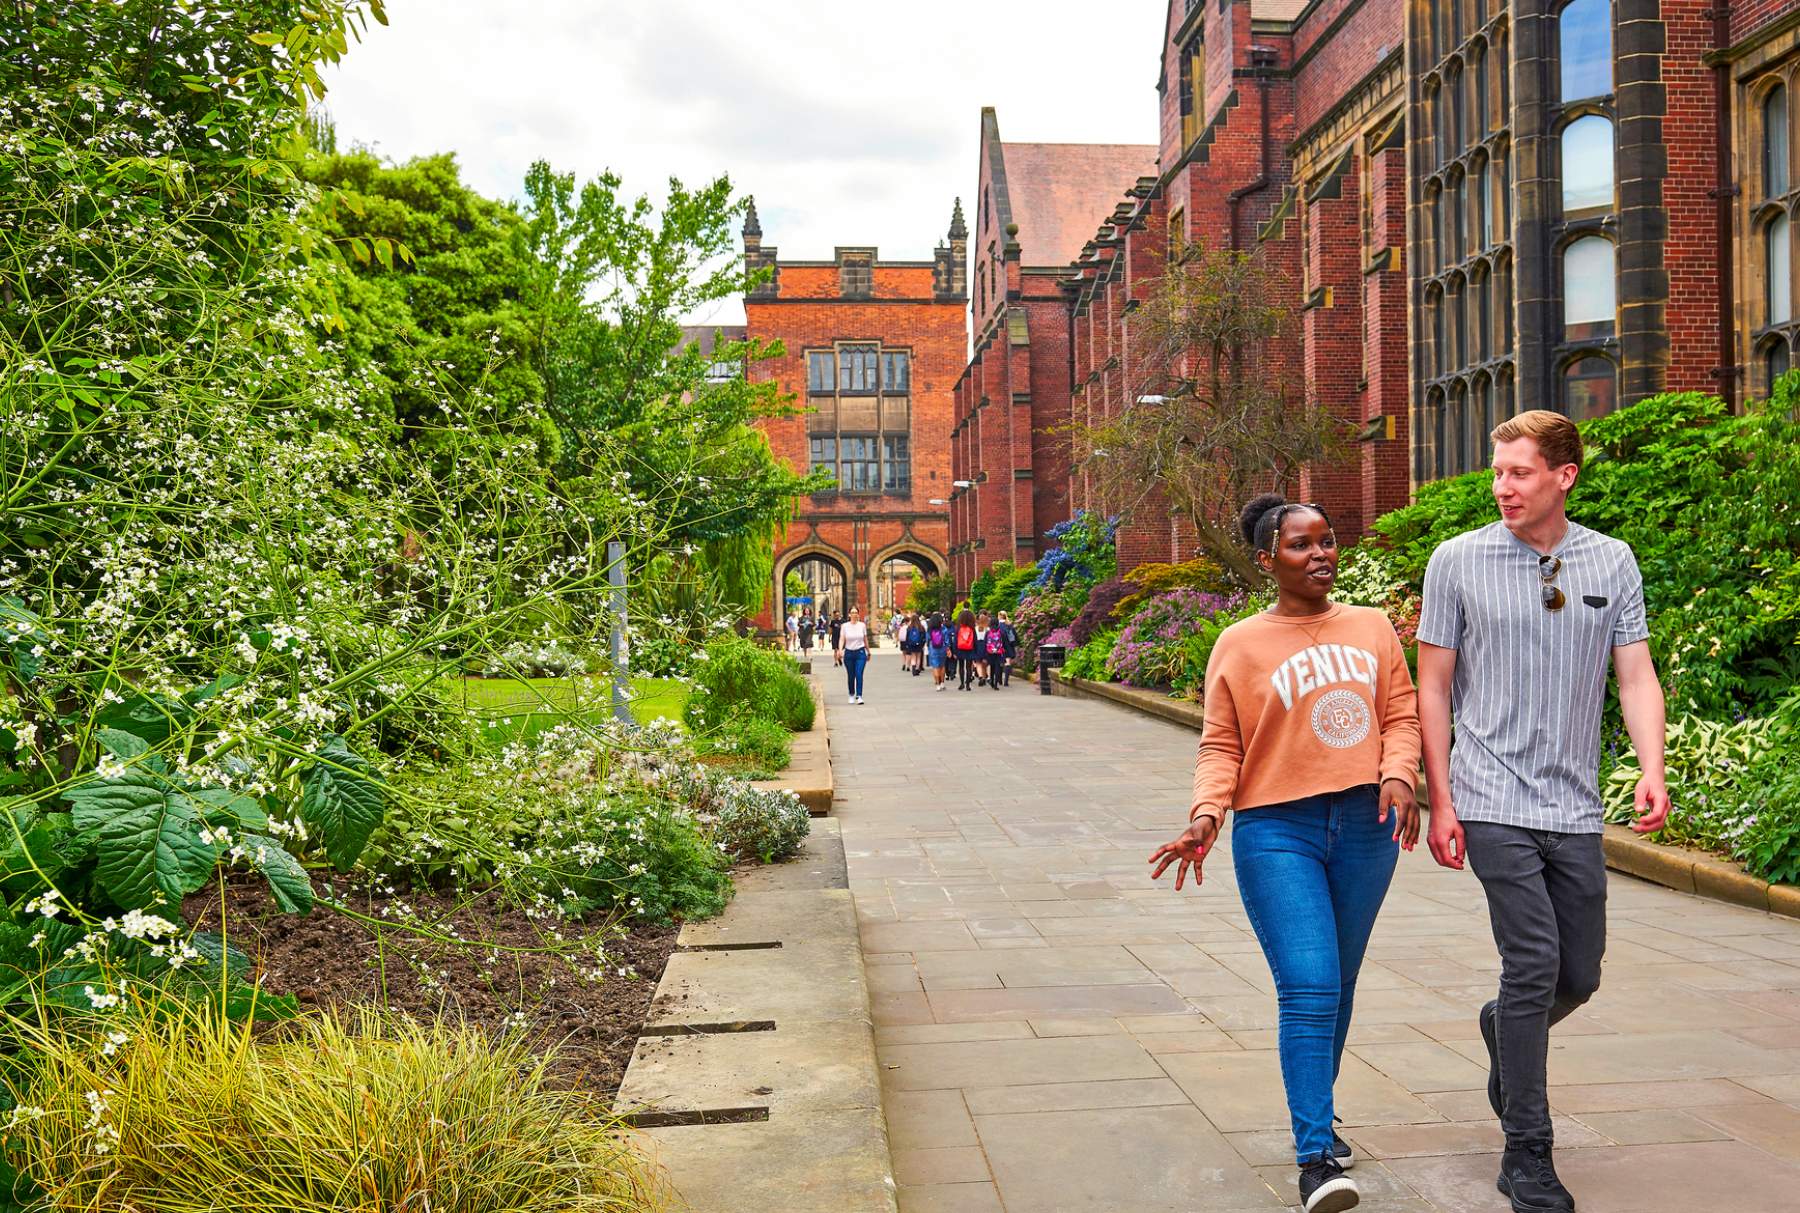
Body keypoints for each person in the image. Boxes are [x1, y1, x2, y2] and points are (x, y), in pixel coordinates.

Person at [1416, 410, 1667, 1213]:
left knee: (1578, 973)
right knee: (1531, 963)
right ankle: (1528, 1151)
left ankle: (1505, 1028)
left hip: (1575, 802)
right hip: (1490, 795)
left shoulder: (1612, 560)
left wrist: (1651, 767)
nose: (1502, 486)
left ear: (1564, 475)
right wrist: (1442, 798)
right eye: (1497, 472)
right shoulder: (1455, 561)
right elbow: (1432, 687)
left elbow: (1635, 675)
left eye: (1519, 472)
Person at [1149, 492, 1421, 1213]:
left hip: (1367, 826)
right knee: (1308, 983)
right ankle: (1315, 1157)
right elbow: (1221, 743)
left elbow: (1400, 711)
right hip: (1276, 829)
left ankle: (1317, 1114)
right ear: (1268, 558)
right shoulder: (1239, 643)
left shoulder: (1371, 627)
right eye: (1302, 545)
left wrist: (1399, 772)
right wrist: (1207, 815)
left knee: (1340, 984)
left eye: (1328, 540)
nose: (1321, 554)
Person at [837, 606, 870, 704]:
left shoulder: (862, 625)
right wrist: (840, 650)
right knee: (851, 675)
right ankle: (851, 694)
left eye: (856, 612)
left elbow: (865, 639)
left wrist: (868, 651)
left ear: (858, 614)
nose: (854, 614)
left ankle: (859, 696)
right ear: (849, 614)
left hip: (860, 652)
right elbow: (842, 638)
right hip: (849, 653)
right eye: (852, 612)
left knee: (859, 674)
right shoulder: (845, 626)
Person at [952, 608, 980, 691]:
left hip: (960, 649)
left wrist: (955, 651)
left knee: (961, 666)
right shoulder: (972, 628)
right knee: (968, 667)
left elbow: (955, 641)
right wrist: (976, 651)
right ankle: (968, 684)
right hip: (970, 649)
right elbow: (975, 640)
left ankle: (961, 683)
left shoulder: (958, 628)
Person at [982, 614, 1008, 691]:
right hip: (999, 652)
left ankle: (992, 681)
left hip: (990, 652)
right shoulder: (1001, 632)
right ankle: (996, 683)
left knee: (992, 666)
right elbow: (1004, 643)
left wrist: (984, 655)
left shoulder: (988, 632)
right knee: (997, 667)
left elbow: (985, 643)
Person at [926, 613, 949, 691]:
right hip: (942, 648)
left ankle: (937, 684)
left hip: (933, 649)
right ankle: (942, 683)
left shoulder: (930, 630)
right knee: (942, 666)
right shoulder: (944, 629)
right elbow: (946, 640)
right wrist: (948, 649)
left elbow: (928, 639)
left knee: (935, 666)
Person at [997, 611, 1019, 686]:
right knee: (1007, 662)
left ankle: (999, 680)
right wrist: (1015, 645)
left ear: (999, 616)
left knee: (1000, 663)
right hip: (1008, 646)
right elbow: (1014, 637)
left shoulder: (997, 625)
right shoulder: (1009, 625)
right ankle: (1006, 681)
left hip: (999, 646)